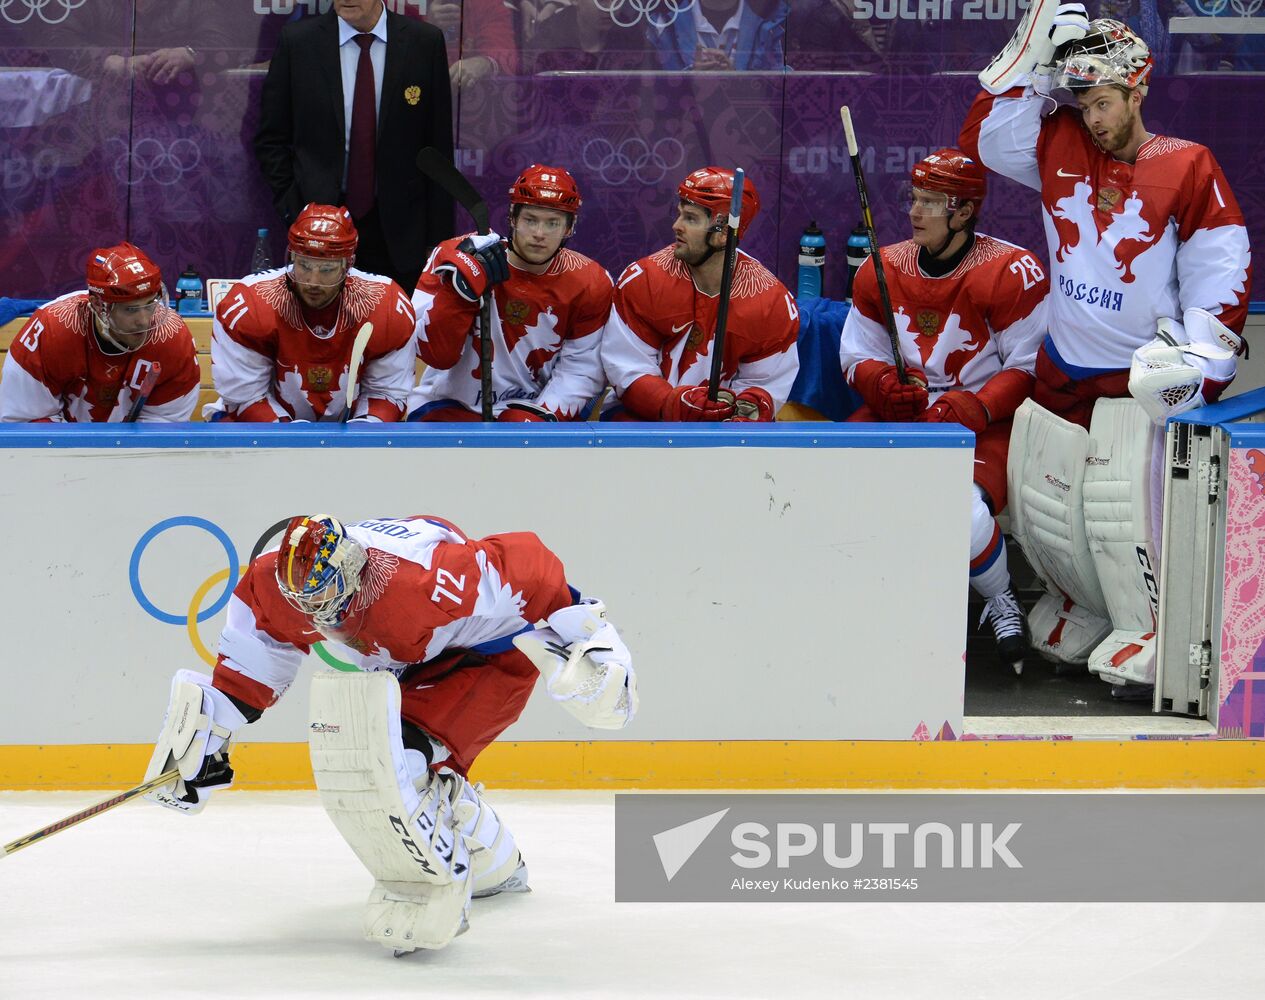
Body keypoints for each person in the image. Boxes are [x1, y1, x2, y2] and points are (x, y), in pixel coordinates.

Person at [141, 512, 638, 954]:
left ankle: (455, 879)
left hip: (490, 656)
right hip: (414, 662)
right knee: (393, 759)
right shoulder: (277, 583)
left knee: (404, 760)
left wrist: (591, 642)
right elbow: (255, 654)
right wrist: (211, 732)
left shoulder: (427, 578)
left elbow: (531, 564)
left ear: (355, 567)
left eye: (328, 599)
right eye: (307, 603)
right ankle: (499, 869)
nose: (320, 616)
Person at [958, 7, 1251, 692]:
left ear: (1136, 91)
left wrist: (1202, 362)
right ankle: (1079, 607)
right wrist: (1032, 61)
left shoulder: (1185, 165)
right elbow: (984, 139)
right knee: (1049, 506)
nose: (1090, 117)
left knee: (1124, 510)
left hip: (1134, 379)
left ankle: (1147, 625)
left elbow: (1220, 263)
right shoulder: (1058, 144)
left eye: (1102, 102)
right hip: (1062, 369)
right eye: (1082, 102)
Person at [839, 150, 1049, 674]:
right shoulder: (881, 267)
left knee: (961, 512)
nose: (915, 212)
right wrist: (880, 382)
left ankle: (1000, 598)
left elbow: (1029, 367)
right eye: (915, 198)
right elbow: (854, 354)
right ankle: (853, 606)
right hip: (899, 417)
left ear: (963, 212)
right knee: (825, 486)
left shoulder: (1012, 270)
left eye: (931, 202)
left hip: (980, 427)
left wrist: (975, 404)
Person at [254, 0, 454, 294]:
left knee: (395, 335)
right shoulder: (299, 42)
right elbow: (271, 139)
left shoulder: (424, 42)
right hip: (319, 232)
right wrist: (297, 210)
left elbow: (438, 150)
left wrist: (437, 244)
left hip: (401, 236)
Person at [408, 164, 613, 422]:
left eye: (552, 223)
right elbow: (433, 355)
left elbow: (582, 369)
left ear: (569, 228)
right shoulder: (453, 253)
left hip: (532, 407)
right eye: (530, 220)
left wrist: (543, 415)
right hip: (448, 403)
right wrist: (456, 294)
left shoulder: (590, 281)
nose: (539, 233)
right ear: (513, 218)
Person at [600, 166, 800, 422]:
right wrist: (673, 404)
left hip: (719, 429)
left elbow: (766, 382)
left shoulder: (771, 301)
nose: (676, 226)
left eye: (691, 218)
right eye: (679, 214)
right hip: (643, 417)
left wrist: (748, 408)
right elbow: (627, 369)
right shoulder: (644, 279)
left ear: (723, 234)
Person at [208, 204, 417, 422]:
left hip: (348, 432)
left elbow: (386, 393)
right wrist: (297, 446)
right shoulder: (250, 303)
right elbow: (245, 398)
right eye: (304, 266)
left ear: (348, 264)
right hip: (264, 429)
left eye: (327, 270)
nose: (312, 281)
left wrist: (361, 438)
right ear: (292, 258)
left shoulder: (386, 305)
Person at [0, 243, 199, 422]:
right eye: (130, 309)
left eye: (149, 305)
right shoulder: (52, 330)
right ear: (97, 304)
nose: (144, 320)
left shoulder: (173, 339)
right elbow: (27, 422)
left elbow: (164, 429)